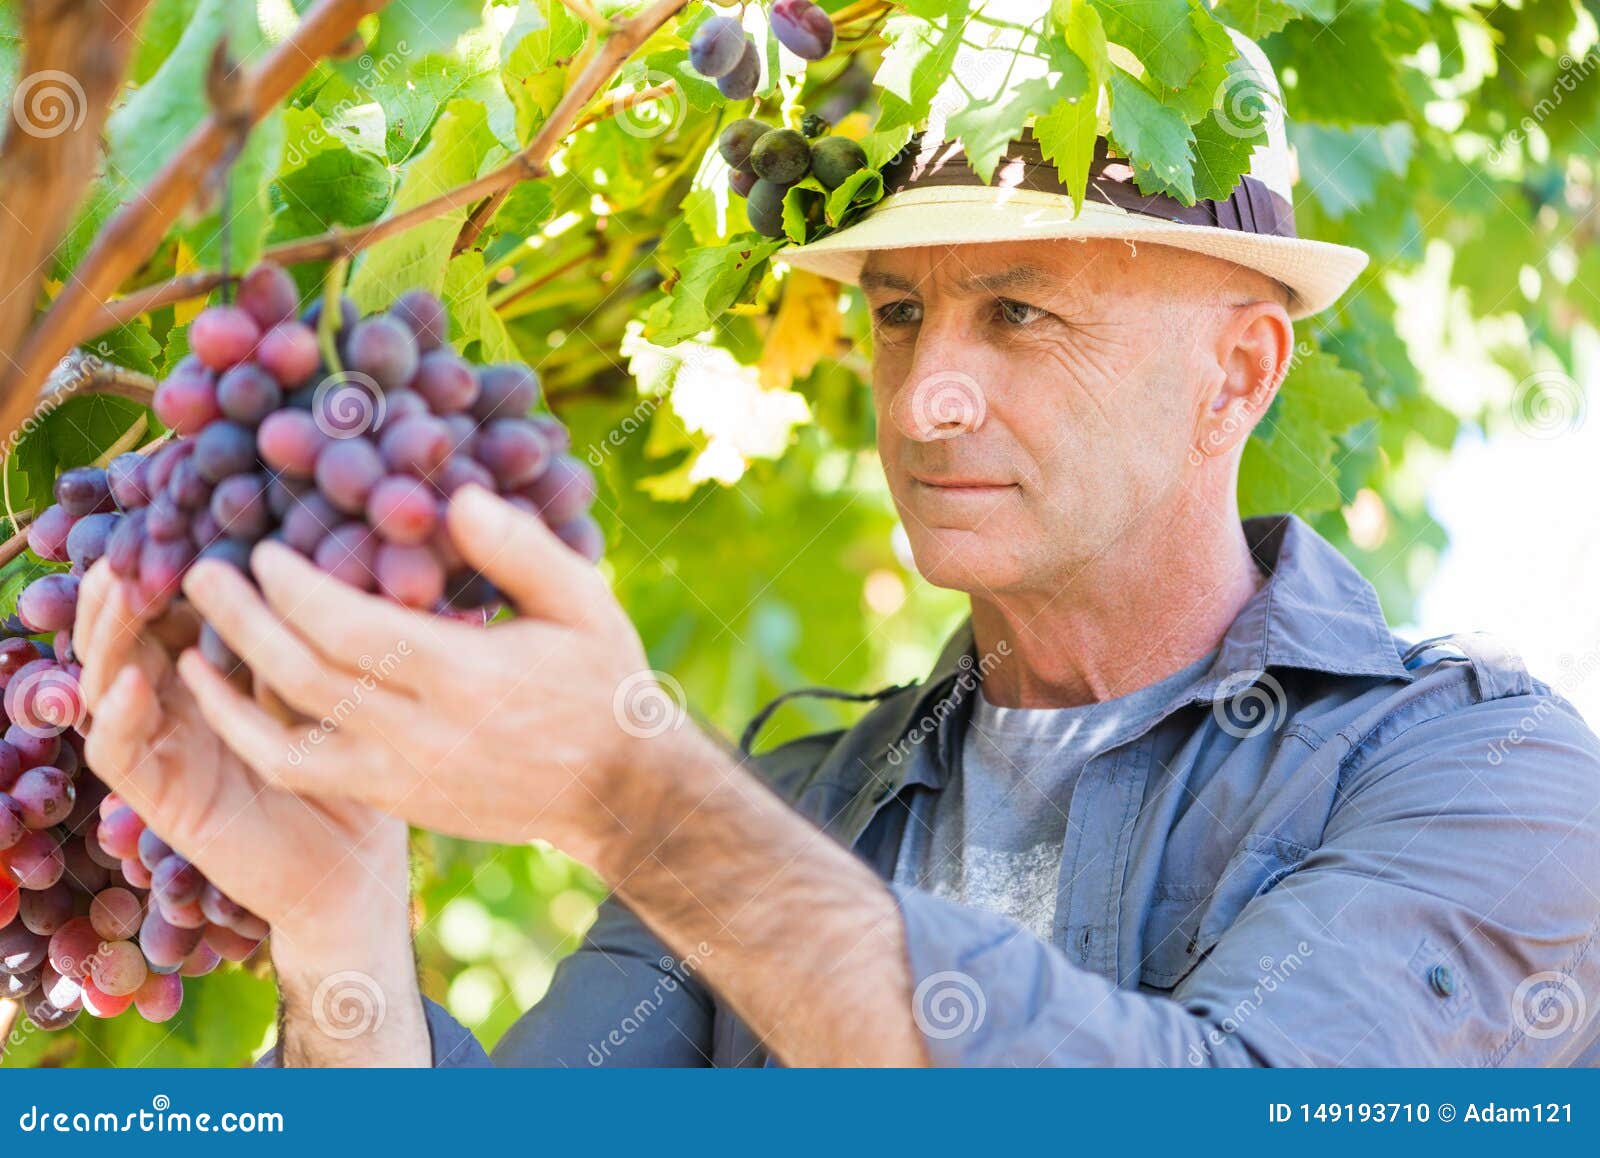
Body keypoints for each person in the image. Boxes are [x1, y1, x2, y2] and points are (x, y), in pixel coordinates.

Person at [75, 34, 1600, 1068]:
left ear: (1241, 371)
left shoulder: (1485, 777)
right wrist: (337, 908)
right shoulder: (793, 799)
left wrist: (642, 804)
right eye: (895, 314)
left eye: (1019, 311)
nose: (929, 394)